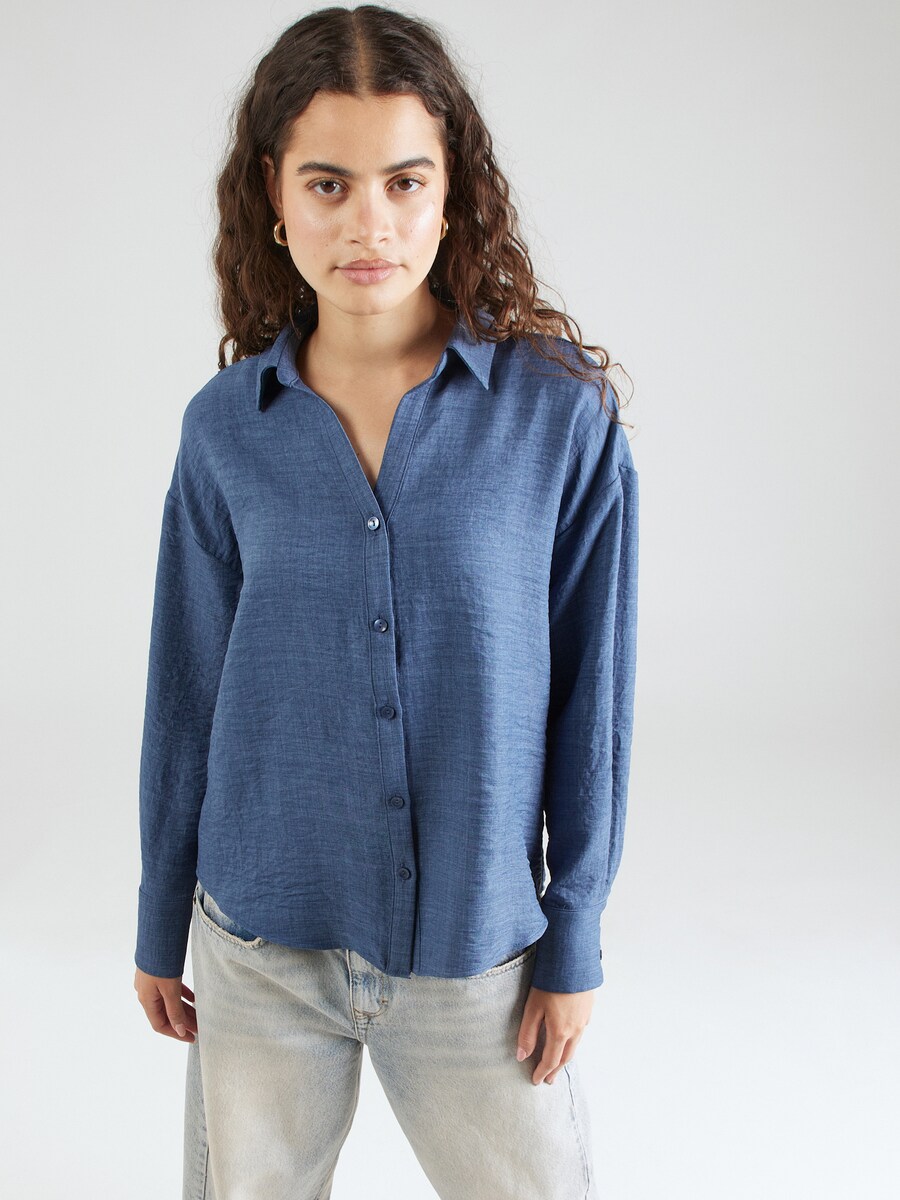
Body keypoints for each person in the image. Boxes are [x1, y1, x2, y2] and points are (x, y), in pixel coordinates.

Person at [132, 6, 639, 1199]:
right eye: (329, 184)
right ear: (274, 194)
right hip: (261, 944)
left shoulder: (557, 418)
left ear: (452, 192)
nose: (369, 223)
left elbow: (595, 701)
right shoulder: (225, 434)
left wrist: (574, 930)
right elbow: (185, 692)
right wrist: (159, 919)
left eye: (405, 181)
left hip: (475, 949)